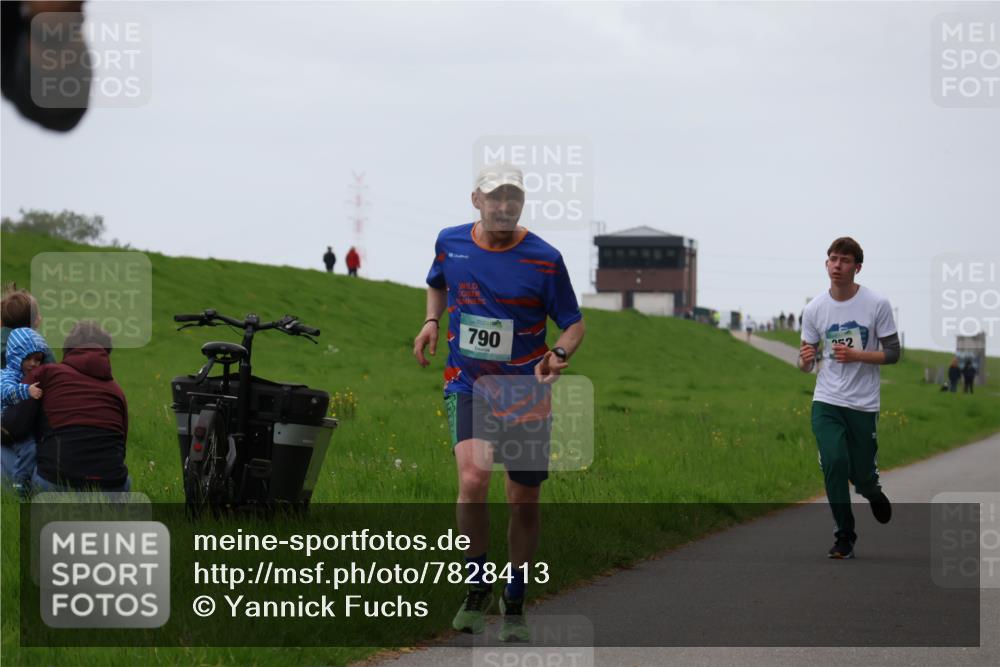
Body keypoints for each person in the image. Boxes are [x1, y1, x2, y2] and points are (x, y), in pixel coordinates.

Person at [413, 163, 585, 642]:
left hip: (526, 392)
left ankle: (515, 596)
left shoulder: (545, 258)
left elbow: (573, 322)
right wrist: (431, 321)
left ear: (522, 204)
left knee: (523, 499)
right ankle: (475, 586)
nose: (504, 206)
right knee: (472, 478)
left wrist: (559, 352)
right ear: (476, 200)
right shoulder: (450, 241)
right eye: (495, 197)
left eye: (513, 198)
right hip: (468, 384)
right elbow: (437, 281)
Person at [798, 237, 900, 559]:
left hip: (863, 403)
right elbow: (806, 364)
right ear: (825, 264)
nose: (836, 265)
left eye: (843, 260)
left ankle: (872, 492)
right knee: (834, 461)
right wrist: (804, 359)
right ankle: (844, 535)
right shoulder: (814, 309)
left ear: (857, 267)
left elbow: (894, 353)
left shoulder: (876, 304)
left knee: (863, 476)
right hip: (827, 399)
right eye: (832, 259)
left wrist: (857, 355)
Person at [5, 321, 130, 493]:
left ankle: (16, 494)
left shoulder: (46, 374)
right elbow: (121, 449)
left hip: (56, 484)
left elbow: (12, 426)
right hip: (113, 490)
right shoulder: (117, 393)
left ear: (68, 348)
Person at [1, 328, 50, 495]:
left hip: (17, 424)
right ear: (15, 356)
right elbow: (6, 391)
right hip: (6, 426)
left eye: (38, 359)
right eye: (28, 358)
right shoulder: (8, 375)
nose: (33, 364)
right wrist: (26, 391)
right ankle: (20, 485)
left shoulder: (25, 375)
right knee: (29, 449)